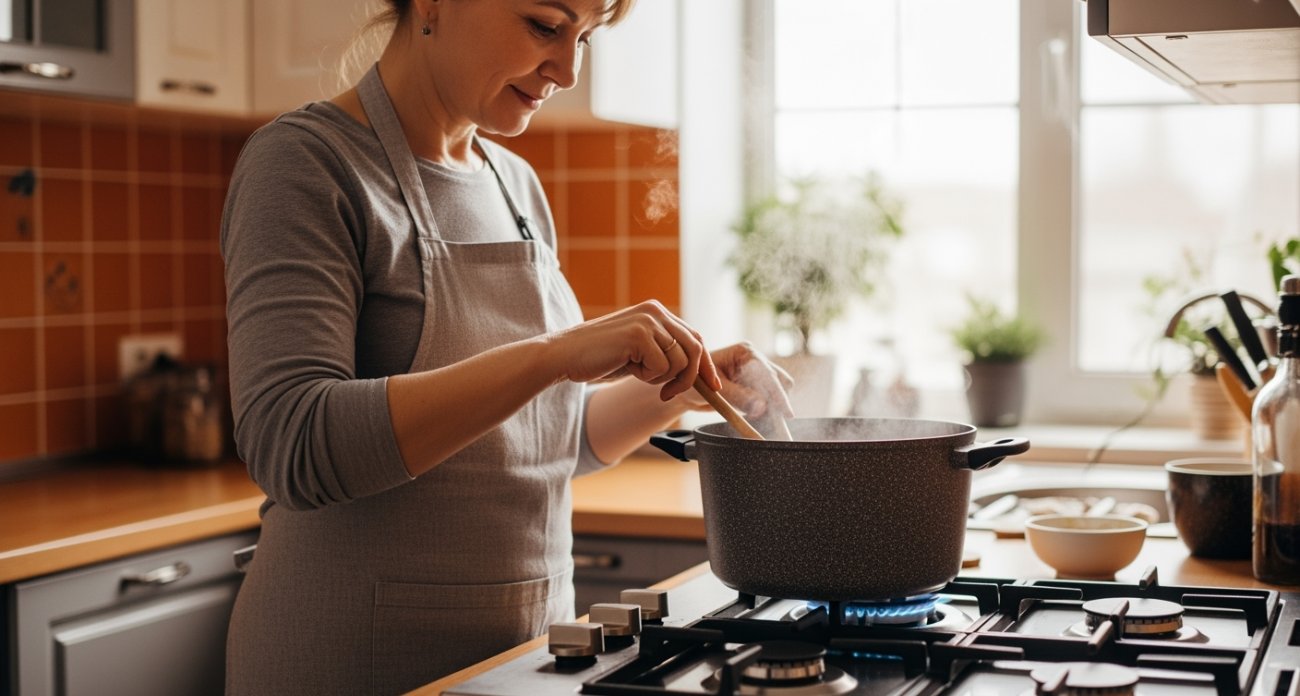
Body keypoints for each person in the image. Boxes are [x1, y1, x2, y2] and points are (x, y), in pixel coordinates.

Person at [220, 0, 793, 693]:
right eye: (546, 25)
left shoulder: (514, 184)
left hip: (520, 666)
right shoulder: (307, 163)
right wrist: (555, 353)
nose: (569, 68)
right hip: (349, 662)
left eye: (585, 36)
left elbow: (540, 443)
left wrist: (686, 384)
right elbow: (294, 443)